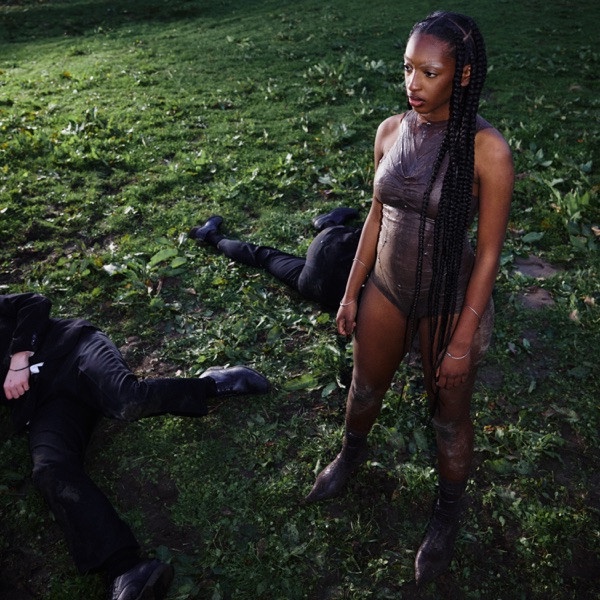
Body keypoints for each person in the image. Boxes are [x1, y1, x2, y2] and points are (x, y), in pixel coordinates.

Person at [304, 11, 514, 587]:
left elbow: (489, 256)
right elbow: (376, 214)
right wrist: (352, 292)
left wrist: (462, 339)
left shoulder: (487, 149)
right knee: (363, 389)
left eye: (429, 72)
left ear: (462, 76)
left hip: (450, 302)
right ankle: (350, 456)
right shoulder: (391, 131)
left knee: (449, 420)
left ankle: (447, 513)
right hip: (388, 290)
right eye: (407, 69)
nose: (412, 84)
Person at [1, 292, 270, 600]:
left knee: (127, 399)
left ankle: (211, 384)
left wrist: (19, 358)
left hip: (74, 349)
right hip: (45, 403)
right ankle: (125, 569)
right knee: (50, 469)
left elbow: (34, 302)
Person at [190, 207, 362, 310]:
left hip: (317, 271)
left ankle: (209, 236)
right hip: (339, 289)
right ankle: (327, 223)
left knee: (263, 256)